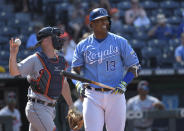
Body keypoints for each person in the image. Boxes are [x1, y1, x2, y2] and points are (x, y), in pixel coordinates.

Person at [71, 8, 140, 131]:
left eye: (106, 19)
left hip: (115, 93)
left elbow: (134, 66)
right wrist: (78, 85)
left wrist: (124, 83)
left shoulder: (120, 42)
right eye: (100, 20)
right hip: (92, 95)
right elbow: (74, 71)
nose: (104, 23)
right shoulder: (82, 45)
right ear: (91, 24)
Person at [9, 26, 74, 131]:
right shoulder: (35, 59)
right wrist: (13, 55)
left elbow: (64, 84)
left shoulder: (61, 60)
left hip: (50, 109)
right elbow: (14, 72)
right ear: (46, 40)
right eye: (55, 36)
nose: (58, 39)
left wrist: (71, 106)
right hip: (37, 107)